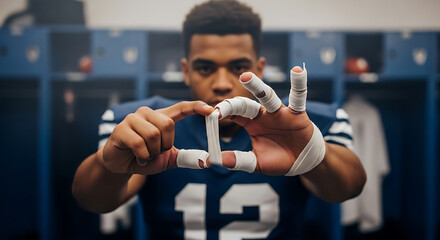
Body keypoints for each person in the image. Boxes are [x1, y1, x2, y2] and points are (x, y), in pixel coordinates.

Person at [72, 0, 366, 239]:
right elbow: (94, 200)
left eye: (238, 67)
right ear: (185, 70)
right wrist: (108, 165)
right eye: (205, 68)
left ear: (259, 69)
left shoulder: (307, 122)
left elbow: (347, 188)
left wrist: (314, 156)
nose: (222, 83)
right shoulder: (142, 123)